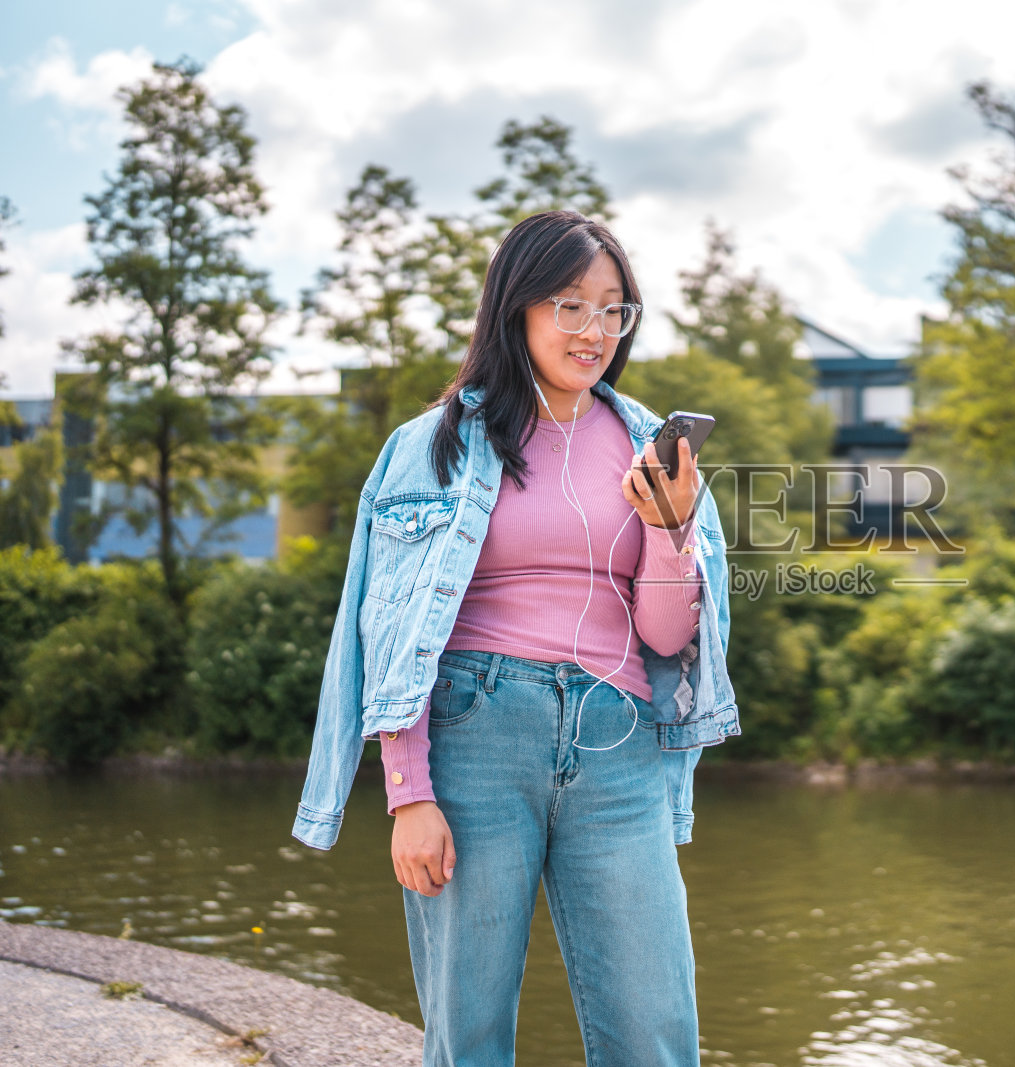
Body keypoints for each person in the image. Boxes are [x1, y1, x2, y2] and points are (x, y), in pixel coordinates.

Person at [290, 209, 741, 1067]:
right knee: (470, 1034)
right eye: (571, 305)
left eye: (615, 309)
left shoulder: (653, 449)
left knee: (656, 1034)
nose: (595, 330)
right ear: (517, 306)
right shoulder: (433, 445)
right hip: (474, 736)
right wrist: (407, 792)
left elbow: (666, 632)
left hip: (620, 745)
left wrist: (672, 530)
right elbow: (391, 628)